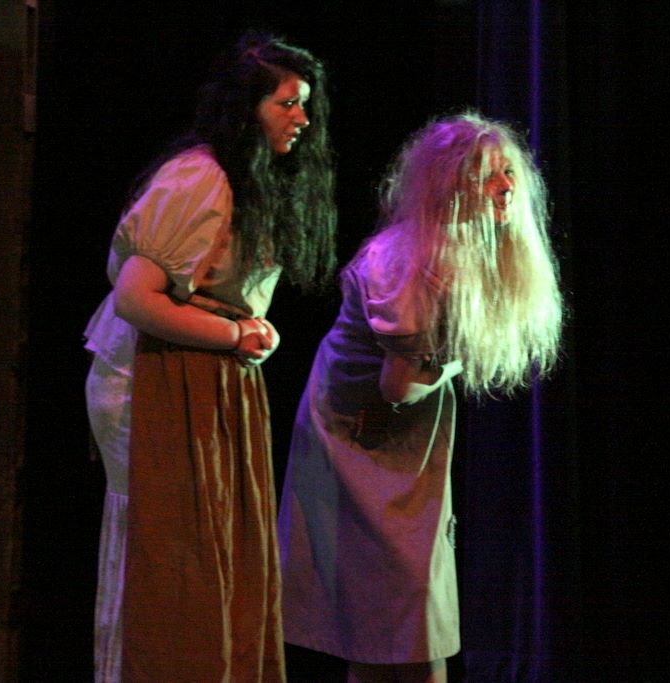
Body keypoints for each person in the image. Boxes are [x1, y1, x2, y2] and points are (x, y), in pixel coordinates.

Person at [83, 31, 336, 682]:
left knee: (204, 546)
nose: (302, 119)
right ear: (247, 107)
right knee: (164, 545)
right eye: (287, 103)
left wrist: (251, 330)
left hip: (195, 372)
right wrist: (234, 336)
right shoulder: (201, 177)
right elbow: (136, 296)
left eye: (304, 104)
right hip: (151, 376)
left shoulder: (245, 179)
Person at [276, 112, 564, 683]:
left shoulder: (460, 250)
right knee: (391, 607)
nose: (505, 186)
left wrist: (449, 359)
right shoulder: (404, 262)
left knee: (394, 613)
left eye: (508, 172)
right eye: (486, 176)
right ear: (449, 187)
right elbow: (399, 387)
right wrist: (458, 357)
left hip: (401, 429)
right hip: (355, 432)